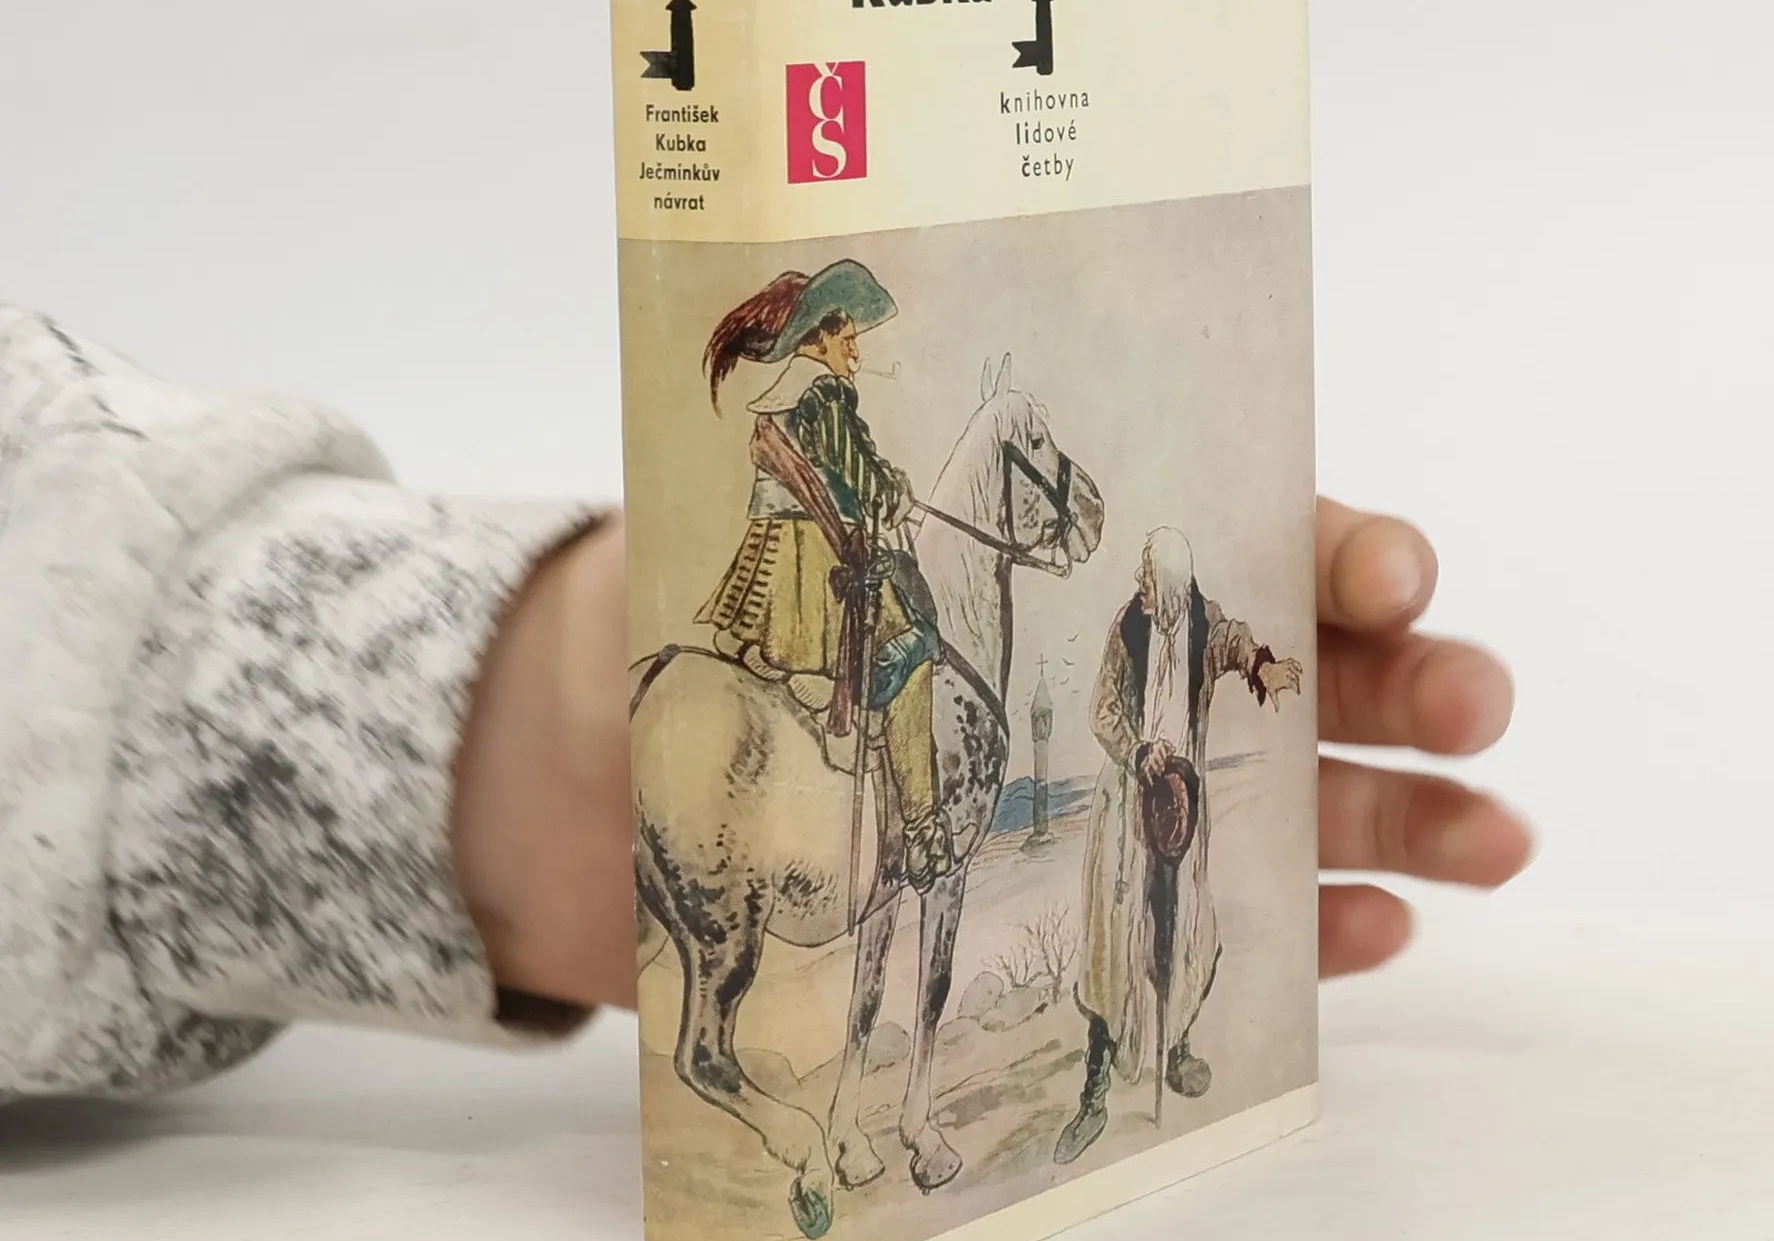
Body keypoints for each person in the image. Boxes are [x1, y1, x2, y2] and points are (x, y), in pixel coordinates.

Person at [0, 305, 1531, 1105]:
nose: (850, 349)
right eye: (839, 335)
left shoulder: (846, 407)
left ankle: (928, 802)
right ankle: (882, 786)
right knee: (889, 644)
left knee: (932, 640)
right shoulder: (801, 410)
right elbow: (798, 481)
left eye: (853, 337)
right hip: (798, 572)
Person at [696, 259, 949, 890]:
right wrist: (894, 490)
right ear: (818, 339)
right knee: (916, 654)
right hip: (812, 572)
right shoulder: (824, 394)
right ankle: (923, 831)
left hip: (766, 574)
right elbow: (860, 476)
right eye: (849, 338)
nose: (856, 353)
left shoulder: (778, 404)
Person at [1056, 528, 1305, 1165]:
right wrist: (1138, 748)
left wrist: (1263, 667)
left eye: (1148, 574)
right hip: (1126, 811)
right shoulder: (1127, 630)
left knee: (1184, 929)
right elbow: (1102, 710)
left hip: (1182, 807)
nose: (1139, 583)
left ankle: (1176, 1049)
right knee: (1117, 942)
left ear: (1170, 583)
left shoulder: (1201, 622)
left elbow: (1235, 642)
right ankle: (1094, 1092)